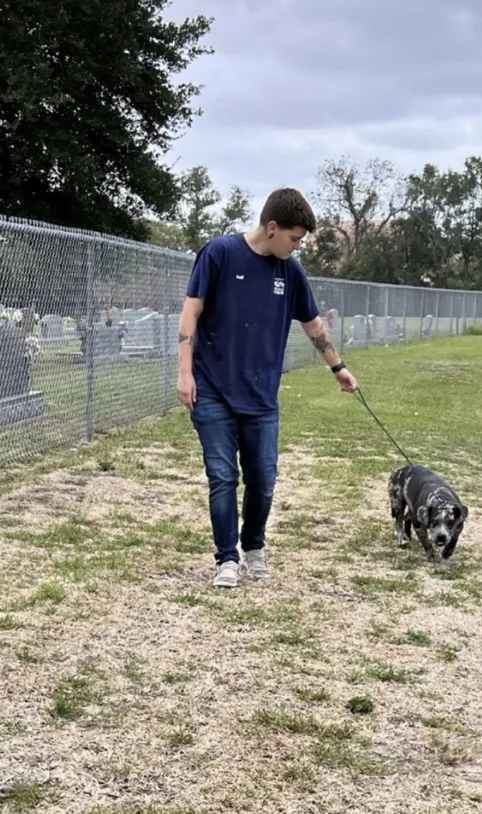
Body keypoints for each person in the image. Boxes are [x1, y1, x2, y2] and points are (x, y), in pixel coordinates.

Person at [175, 187, 357, 588]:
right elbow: (191, 313)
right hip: (213, 390)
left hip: (260, 397)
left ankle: (253, 545)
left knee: (263, 479)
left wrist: (337, 368)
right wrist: (185, 373)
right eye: (293, 238)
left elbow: (313, 325)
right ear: (271, 228)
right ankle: (226, 558)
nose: (296, 246)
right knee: (222, 476)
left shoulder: (290, 272)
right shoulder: (219, 254)